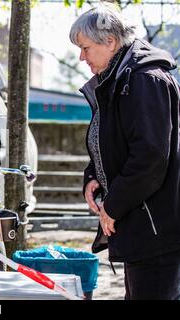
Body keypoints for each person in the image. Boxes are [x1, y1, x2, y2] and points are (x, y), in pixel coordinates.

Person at [70, 3, 180, 300]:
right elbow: (109, 141)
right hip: (139, 226)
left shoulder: (144, 80)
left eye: (85, 48)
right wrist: (92, 176)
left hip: (156, 231)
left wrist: (112, 206)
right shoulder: (116, 78)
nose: (81, 57)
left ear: (110, 41)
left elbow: (150, 157)